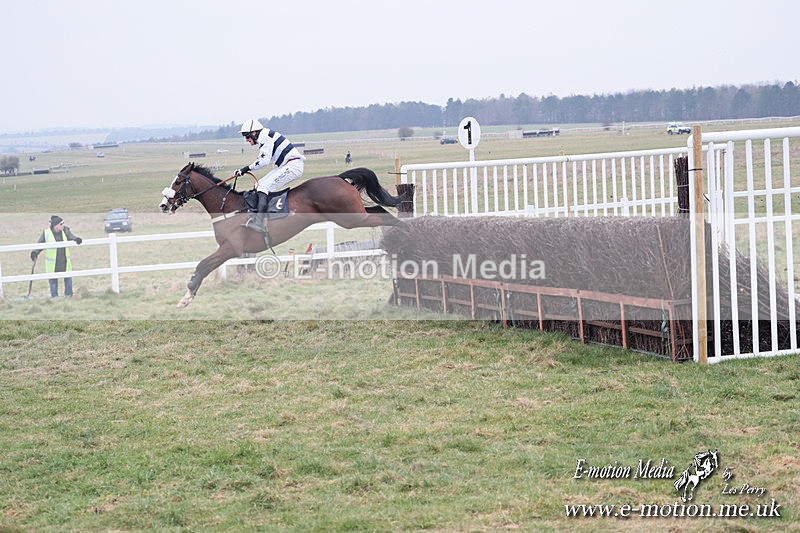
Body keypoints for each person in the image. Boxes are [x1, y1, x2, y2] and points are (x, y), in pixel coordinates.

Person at [235, 119, 305, 232]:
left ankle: (260, 223)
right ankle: (255, 216)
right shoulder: (263, 137)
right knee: (258, 185)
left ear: (254, 133)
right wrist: (243, 170)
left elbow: (264, 161)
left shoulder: (265, 138)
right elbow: (260, 160)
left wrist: (246, 168)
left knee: (263, 187)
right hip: (286, 165)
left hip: (293, 166)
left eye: (247, 136)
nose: (247, 140)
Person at [30, 215, 82, 297]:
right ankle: (55, 297)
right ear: (55, 225)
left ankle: (69, 295)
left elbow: (71, 237)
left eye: (63, 223)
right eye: (61, 224)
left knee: (68, 278)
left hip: (64, 261)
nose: (63, 225)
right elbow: (40, 244)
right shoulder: (46, 233)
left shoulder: (65, 230)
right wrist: (35, 253)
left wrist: (76, 239)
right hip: (53, 264)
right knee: (53, 281)